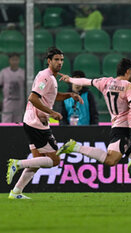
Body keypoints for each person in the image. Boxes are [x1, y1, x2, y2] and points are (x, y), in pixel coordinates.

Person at [57, 58, 131, 198]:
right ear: (128, 71)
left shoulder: (105, 82)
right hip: (124, 130)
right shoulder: (128, 87)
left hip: (118, 128)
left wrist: (70, 80)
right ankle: (75, 147)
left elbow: (85, 81)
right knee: (111, 160)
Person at [6, 47, 83, 199]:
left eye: (61, 60)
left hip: (33, 121)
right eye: (56, 60)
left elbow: (50, 97)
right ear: (49, 61)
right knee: (55, 160)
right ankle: (18, 163)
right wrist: (52, 113)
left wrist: (69, 95)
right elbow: (33, 98)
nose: (60, 62)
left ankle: (16, 192)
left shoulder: (50, 78)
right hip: (36, 122)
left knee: (36, 161)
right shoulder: (46, 77)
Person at [0, 53, 25, 123]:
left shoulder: (23, 73)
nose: (14, 62)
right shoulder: (4, 72)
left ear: (19, 61)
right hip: (7, 104)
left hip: (19, 105)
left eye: (16, 60)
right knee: (5, 124)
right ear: (9, 61)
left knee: (18, 124)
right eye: (13, 60)